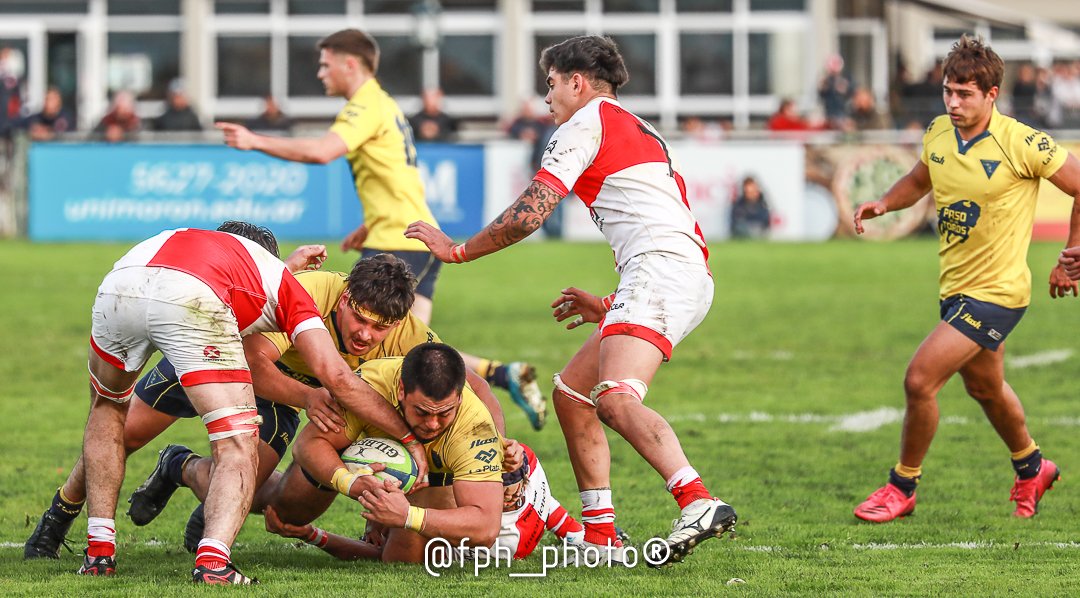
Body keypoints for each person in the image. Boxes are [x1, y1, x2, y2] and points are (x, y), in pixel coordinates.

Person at [405, 35, 737, 566]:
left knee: (615, 398)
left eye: (552, 84)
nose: (547, 97)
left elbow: (531, 212)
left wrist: (458, 250)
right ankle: (601, 534)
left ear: (576, 82)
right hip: (672, 273)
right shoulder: (631, 122)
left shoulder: (585, 123)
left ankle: (697, 500)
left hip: (660, 273)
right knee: (571, 394)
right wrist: (612, 303)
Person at [25, 251, 514, 559]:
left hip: (279, 395)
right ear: (342, 297)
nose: (367, 334)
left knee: (243, 487)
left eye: (380, 327)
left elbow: (467, 384)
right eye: (359, 319)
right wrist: (308, 394)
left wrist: (498, 440)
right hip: (217, 349)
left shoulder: (411, 334)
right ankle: (58, 517)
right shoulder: (312, 290)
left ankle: (179, 468)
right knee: (121, 435)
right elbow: (257, 362)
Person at [213, 28, 546, 430]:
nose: (320, 73)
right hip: (405, 233)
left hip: (398, 240)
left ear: (349, 63)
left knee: (387, 345)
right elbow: (397, 175)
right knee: (411, 348)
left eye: (325, 64)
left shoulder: (365, 105)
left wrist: (254, 140)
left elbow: (322, 152)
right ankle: (497, 376)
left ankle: (433, 418)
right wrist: (368, 224)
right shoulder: (384, 104)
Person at [69, 222, 426, 584]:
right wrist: (409, 439)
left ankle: (98, 552)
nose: (367, 334)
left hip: (123, 282)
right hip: (199, 314)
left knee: (107, 409)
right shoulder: (294, 287)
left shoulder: (220, 251)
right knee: (236, 442)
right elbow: (335, 378)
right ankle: (212, 563)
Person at [852, 35, 1080, 524]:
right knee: (987, 389)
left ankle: (902, 485)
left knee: (919, 380)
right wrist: (886, 203)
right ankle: (1033, 467)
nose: (953, 103)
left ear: (991, 94)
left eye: (964, 94)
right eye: (948, 92)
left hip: (999, 293)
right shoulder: (938, 131)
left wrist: (1069, 255)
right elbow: (920, 178)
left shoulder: (1022, 141)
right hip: (956, 287)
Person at [270, 345, 503, 563]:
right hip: (412, 467)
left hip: (455, 480)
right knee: (287, 511)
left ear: (459, 397)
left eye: (444, 413)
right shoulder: (370, 386)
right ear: (401, 390)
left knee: (404, 558)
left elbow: (486, 528)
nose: (432, 424)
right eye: (422, 412)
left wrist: (407, 516)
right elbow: (308, 445)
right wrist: (351, 482)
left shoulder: (474, 426)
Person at [263, 442, 582, 561]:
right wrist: (582, 535)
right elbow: (551, 510)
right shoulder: (522, 459)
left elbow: (382, 556)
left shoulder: (500, 542)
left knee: (399, 556)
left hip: (471, 534)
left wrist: (314, 535)